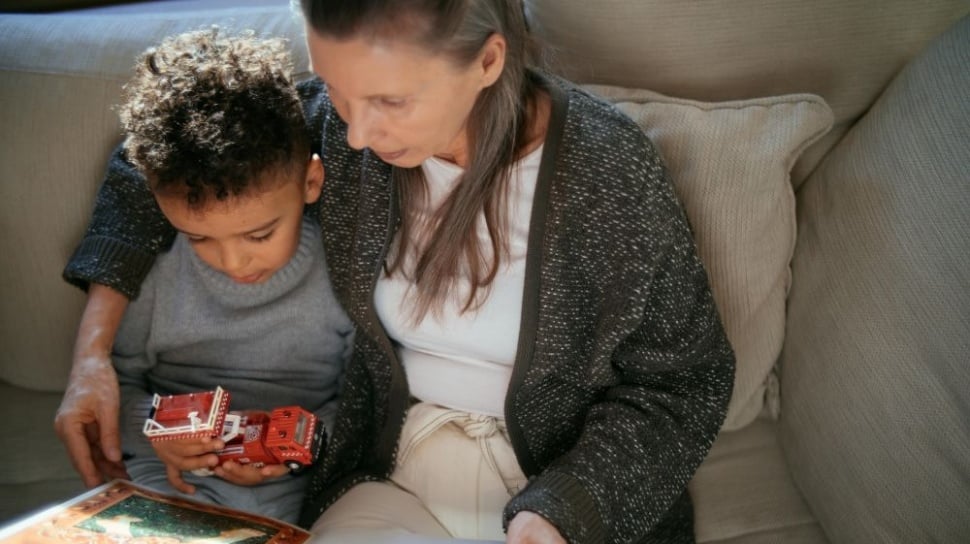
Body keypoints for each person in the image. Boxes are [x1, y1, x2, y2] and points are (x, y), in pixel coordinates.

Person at [55, 1, 735, 542]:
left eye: (390, 102)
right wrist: (92, 359)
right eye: (337, 90)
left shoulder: (609, 171)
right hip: (387, 478)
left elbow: (686, 383)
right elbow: (151, 164)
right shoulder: (337, 131)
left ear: (488, 60)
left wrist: (568, 510)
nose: (353, 135)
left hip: (556, 489)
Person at [88, 28, 353, 524]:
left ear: (311, 181)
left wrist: (306, 443)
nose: (233, 263)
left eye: (259, 235)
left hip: (298, 481)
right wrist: (155, 428)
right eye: (199, 238)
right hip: (170, 476)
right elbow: (115, 387)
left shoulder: (341, 272)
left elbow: (362, 398)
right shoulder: (155, 275)